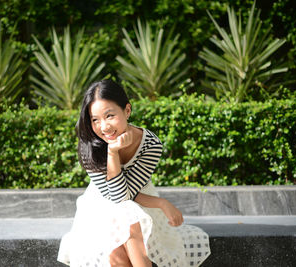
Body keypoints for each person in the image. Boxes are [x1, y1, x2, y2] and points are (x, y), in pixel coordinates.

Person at [57, 79, 210, 267]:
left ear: (127, 111)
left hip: (142, 203)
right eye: (95, 119)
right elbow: (117, 197)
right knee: (116, 254)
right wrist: (112, 152)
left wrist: (159, 203)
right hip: (100, 206)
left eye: (109, 116)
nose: (103, 127)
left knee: (129, 221)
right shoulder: (89, 146)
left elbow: (128, 196)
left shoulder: (150, 144)